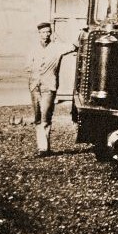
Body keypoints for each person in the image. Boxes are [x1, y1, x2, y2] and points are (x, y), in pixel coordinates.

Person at [26, 22, 77, 157]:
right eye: (43, 32)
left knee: (46, 115)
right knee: (37, 117)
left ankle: (44, 148)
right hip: (35, 86)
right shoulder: (33, 49)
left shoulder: (57, 48)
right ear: (39, 34)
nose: (46, 35)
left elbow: (74, 46)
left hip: (49, 87)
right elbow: (28, 67)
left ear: (51, 33)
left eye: (48, 32)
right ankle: (41, 147)